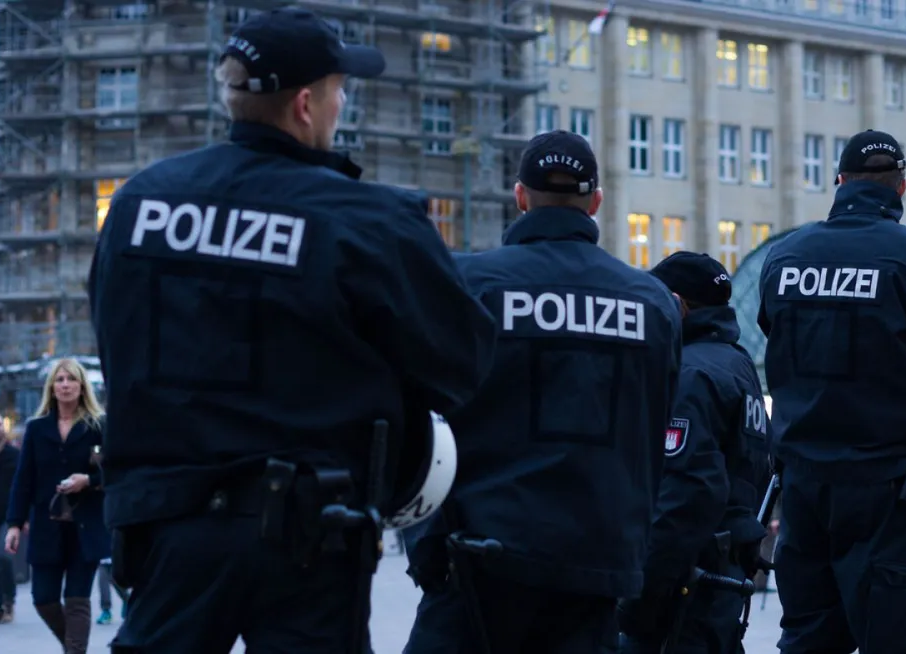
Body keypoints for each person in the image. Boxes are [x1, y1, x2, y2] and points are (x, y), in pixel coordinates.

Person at [87, 7, 496, 654]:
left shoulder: (140, 203)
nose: (341, 106)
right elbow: (462, 362)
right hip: (309, 534)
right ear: (306, 104)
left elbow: (115, 336)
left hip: (168, 525)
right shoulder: (369, 219)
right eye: (339, 91)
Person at [402, 130, 684, 654]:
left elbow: (422, 418)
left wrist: (424, 544)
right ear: (596, 202)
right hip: (596, 564)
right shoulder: (653, 304)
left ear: (520, 196)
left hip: (479, 558)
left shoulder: (468, 283)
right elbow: (654, 434)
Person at [757, 129, 906, 654]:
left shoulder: (785, 257)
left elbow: (777, 339)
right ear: (902, 187)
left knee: (809, 637)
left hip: (804, 486)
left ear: (839, 182)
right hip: (890, 487)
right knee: (894, 639)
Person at [618, 253, 771, 654]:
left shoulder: (688, 374)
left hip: (683, 588)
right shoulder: (737, 365)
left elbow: (683, 497)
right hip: (722, 577)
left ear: (676, 303)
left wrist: (638, 603)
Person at [3, 358, 109, 654]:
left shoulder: (98, 425)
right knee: (43, 598)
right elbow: (23, 480)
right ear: (51, 387)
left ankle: (75, 650)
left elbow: (116, 469)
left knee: (77, 600)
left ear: (81, 385)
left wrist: (87, 480)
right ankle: (73, 646)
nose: (65, 384)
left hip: (85, 525)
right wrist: (14, 524)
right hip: (46, 526)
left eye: (71, 379)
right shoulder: (37, 428)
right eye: (59, 379)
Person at [0, 413, 20, 624]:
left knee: (3, 557)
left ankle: (8, 601)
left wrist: (24, 517)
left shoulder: (14, 455)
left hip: (8, 516)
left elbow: (23, 485)